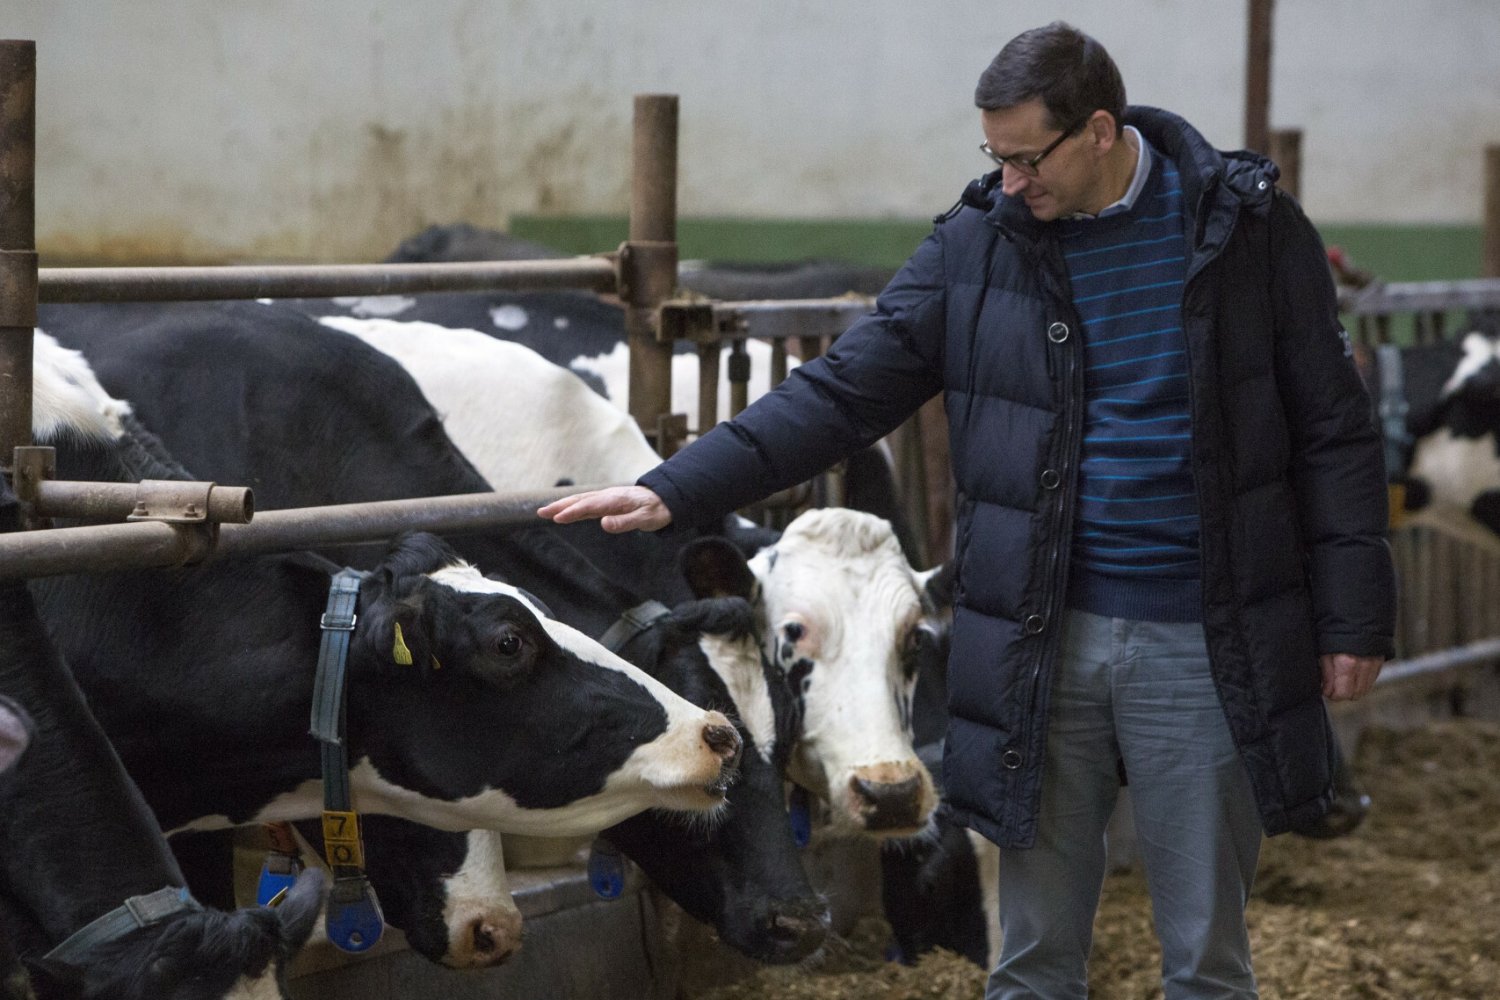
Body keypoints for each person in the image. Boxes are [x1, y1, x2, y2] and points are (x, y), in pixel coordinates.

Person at [540, 21, 1393, 1000]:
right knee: (1029, 953)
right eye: (994, 156)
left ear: (1102, 131)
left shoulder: (1244, 229)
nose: (1010, 178)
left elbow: (1333, 428)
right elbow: (841, 391)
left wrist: (1354, 614)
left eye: (1028, 157)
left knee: (1204, 952)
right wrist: (676, 486)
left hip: (1203, 632)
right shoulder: (979, 244)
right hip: (1034, 634)